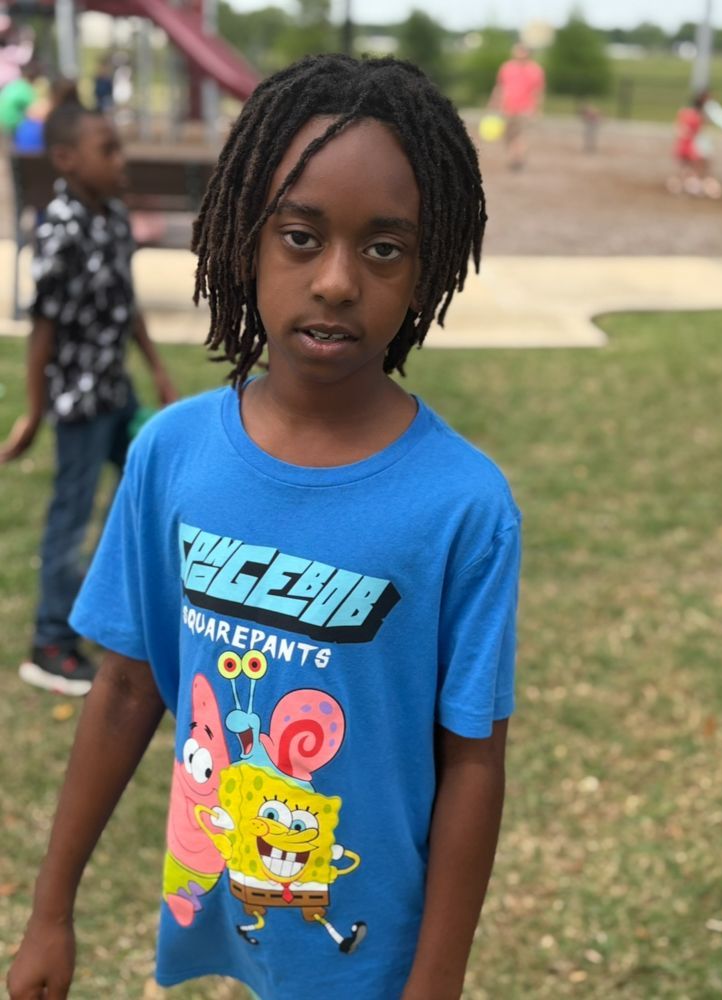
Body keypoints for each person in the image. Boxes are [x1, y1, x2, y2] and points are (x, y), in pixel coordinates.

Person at [6, 54, 521, 999]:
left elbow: (472, 763)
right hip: (227, 897)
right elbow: (124, 688)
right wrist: (51, 912)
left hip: (368, 950)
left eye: (384, 249)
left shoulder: (463, 505)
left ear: (429, 269)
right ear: (246, 239)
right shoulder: (171, 454)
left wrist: (436, 982)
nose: (336, 281)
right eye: (300, 236)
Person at [0, 99, 177, 695]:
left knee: (143, 488)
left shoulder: (113, 216)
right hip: (78, 403)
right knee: (69, 515)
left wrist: (157, 371)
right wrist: (34, 412)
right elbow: (42, 329)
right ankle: (50, 644)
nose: (121, 160)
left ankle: (106, 605)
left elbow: (127, 303)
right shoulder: (59, 227)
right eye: (109, 150)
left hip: (116, 392)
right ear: (66, 158)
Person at [667, 88, 722, 199]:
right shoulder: (697, 111)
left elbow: (721, 118)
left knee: (692, 166)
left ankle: (690, 184)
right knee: (693, 166)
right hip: (693, 142)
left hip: (694, 141)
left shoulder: (700, 110)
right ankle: (692, 184)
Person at [488, 42, 545, 170]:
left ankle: (517, 159)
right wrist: (493, 102)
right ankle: (514, 156)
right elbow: (500, 87)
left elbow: (538, 92)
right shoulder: (506, 67)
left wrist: (537, 109)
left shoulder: (535, 70)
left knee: (520, 135)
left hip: (526, 109)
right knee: (508, 136)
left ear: (528, 53)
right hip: (507, 108)